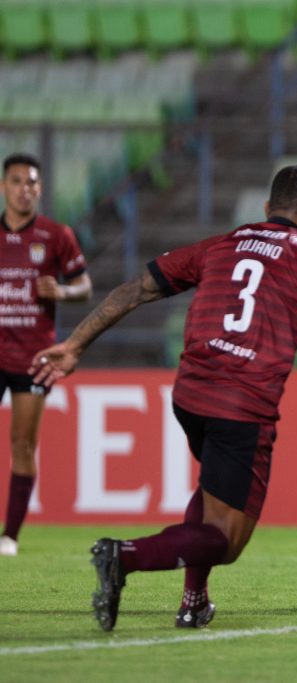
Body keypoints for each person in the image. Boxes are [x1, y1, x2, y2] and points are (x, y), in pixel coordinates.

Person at [31, 165, 297, 631]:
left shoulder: (222, 244)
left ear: (267, 209)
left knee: (212, 494)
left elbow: (136, 290)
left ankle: (194, 600)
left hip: (190, 395)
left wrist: (75, 345)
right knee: (226, 540)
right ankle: (122, 556)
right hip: (242, 406)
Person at [1, 153, 92, 557]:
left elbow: (84, 286)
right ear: (4, 186)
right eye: (17, 181)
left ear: (40, 188)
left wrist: (64, 291)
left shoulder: (56, 235)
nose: (25, 189)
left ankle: (10, 537)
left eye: (32, 182)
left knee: (22, 443)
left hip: (33, 357)